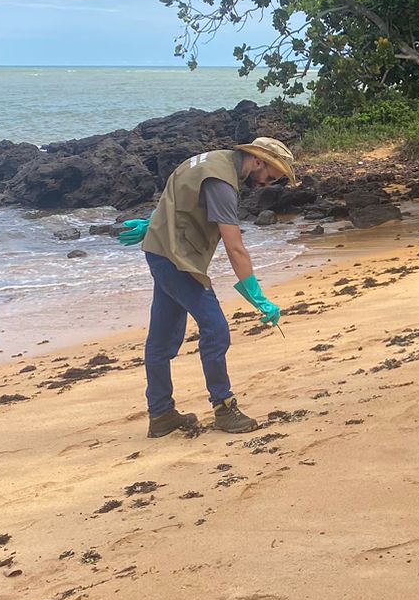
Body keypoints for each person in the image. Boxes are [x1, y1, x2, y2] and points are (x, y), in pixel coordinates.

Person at [118, 137, 298, 437]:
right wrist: (257, 297)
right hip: (177, 259)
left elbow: (175, 195)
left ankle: (161, 414)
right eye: (271, 175)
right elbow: (235, 246)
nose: (269, 183)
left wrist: (152, 224)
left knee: (161, 340)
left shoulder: (206, 160)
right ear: (258, 161)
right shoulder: (222, 183)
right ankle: (224, 408)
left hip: (161, 249)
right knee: (216, 331)